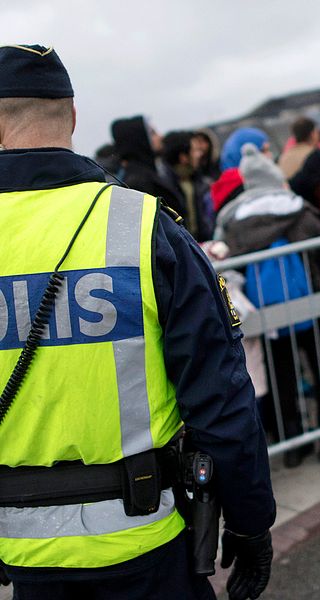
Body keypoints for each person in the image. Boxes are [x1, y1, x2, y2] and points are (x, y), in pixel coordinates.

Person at [0, 44, 275, 600]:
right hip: (146, 539)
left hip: (23, 549)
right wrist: (250, 522)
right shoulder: (145, 226)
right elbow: (221, 399)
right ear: (73, 117)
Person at [215, 143, 320, 467]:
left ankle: (293, 441)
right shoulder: (297, 208)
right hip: (309, 299)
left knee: (281, 371)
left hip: (265, 308)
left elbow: (227, 258)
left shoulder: (234, 218)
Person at [111, 113, 186, 218]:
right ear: (139, 140)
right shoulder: (137, 183)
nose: (160, 136)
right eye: (152, 133)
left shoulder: (154, 171)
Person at [161, 130, 214, 241]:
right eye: (194, 150)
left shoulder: (199, 182)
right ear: (183, 157)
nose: (200, 154)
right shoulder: (164, 187)